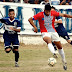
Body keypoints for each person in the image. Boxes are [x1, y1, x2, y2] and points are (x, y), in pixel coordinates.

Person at [28, 3, 72, 70]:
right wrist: (35, 27)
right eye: (47, 11)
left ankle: (64, 61)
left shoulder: (53, 13)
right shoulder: (40, 14)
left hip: (53, 32)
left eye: (49, 11)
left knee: (60, 46)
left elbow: (64, 15)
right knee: (48, 40)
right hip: (44, 32)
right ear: (44, 10)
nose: (48, 13)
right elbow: (30, 19)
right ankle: (54, 53)